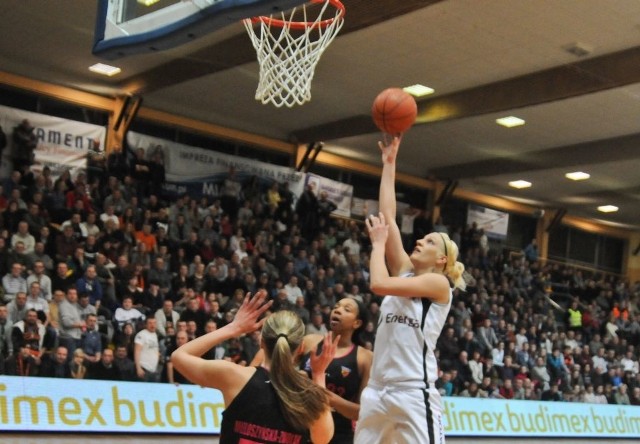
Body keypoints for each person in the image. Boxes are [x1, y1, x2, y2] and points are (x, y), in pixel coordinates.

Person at [356, 136, 466, 444]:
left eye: (430, 242)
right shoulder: (405, 269)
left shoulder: (438, 284)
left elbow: (378, 284)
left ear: (442, 259)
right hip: (377, 389)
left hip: (413, 392)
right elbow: (389, 218)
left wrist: (378, 246)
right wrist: (389, 165)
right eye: (421, 238)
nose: (419, 241)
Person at [171, 290, 335, 444]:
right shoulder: (308, 392)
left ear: (261, 342)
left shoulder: (235, 376)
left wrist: (233, 328)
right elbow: (323, 439)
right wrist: (319, 374)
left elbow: (179, 357)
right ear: (300, 348)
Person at [301, 297, 373, 444]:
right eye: (336, 306)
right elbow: (283, 372)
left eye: (346, 309)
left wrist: (325, 396)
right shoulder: (310, 341)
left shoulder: (365, 358)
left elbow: (361, 411)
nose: (338, 310)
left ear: (357, 323)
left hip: (338, 435)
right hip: (299, 427)